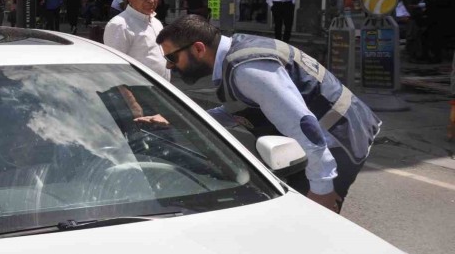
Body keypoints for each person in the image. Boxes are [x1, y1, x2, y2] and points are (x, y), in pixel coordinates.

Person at [155, 16, 382, 213]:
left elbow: (303, 126)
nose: (170, 66)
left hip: (339, 138)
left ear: (198, 49)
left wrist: (322, 189)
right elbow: (240, 106)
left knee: (308, 225)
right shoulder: (237, 50)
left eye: (172, 58)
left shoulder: (246, 70)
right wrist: (184, 119)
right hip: (333, 132)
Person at [103, 0, 171, 81]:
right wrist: (125, 91)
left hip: (160, 87)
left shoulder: (156, 22)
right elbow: (114, 66)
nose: (151, 0)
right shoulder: (119, 24)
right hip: (137, 87)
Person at [421, 0, 455, 64]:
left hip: (440, 27)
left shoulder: (437, 3)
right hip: (444, 26)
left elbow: (431, 14)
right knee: (426, 34)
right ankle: (427, 54)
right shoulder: (446, 2)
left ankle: (433, 56)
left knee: (429, 35)